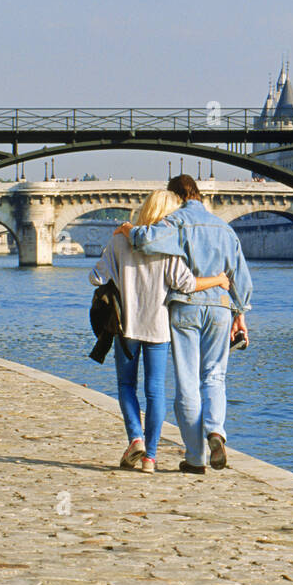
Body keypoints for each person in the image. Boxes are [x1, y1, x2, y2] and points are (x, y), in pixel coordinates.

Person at [115, 174, 253, 475]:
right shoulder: (224, 229)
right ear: (199, 195)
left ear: (175, 196)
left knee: (187, 383)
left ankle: (195, 458)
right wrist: (240, 313)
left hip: (185, 307)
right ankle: (216, 431)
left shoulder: (174, 222)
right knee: (215, 376)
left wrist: (128, 229)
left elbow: (143, 240)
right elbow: (240, 278)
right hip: (220, 307)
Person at [90, 191, 231, 473]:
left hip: (126, 326)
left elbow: (95, 277)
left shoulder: (119, 240)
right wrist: (218, 279)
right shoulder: (169, 245)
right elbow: (185, 283)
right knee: (155, 391)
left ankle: (136, 438)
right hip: (158, 327)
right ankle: (150, 459)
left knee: (126, 386)